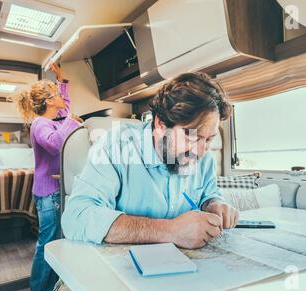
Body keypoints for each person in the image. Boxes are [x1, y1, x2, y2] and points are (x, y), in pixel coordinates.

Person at [61, 72, 239, 250]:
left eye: (209, 139)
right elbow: (76, 217)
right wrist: (169, 230)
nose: (200, 152)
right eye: (190, 136)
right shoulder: (114, 147)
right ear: (161, 124)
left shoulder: (204, 156)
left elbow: (209, 194)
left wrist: (214, 205)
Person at [16, 64, 80, 291]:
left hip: (54, 193)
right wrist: (72, 122)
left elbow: (66, 109)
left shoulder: (54, 120)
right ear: (50, 101)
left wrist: (62, 79)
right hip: (48, 195)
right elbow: (55, 144)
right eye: (57, 92)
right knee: (47, 247)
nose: (62, 97)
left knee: (54, 245)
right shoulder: (40, 124)